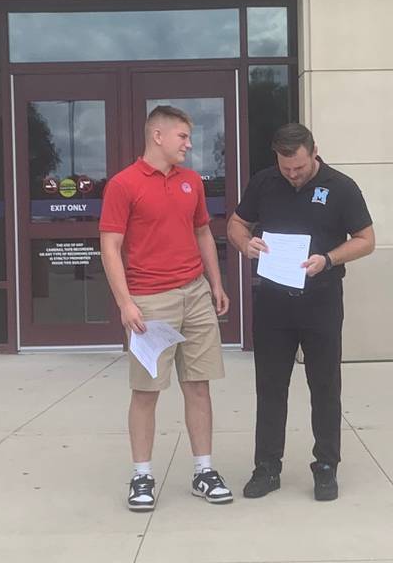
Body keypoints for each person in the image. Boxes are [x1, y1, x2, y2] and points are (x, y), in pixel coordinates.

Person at [227, 122, 374, 501]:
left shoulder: (341, 187)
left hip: (321, 298)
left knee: (324, 386)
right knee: (270, 387)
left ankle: (326, 468)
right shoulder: (263, 182)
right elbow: (236, 224)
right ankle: (267, 468)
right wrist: (246, 244)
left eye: (300, 168)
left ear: (314, 152)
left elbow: (366, 240)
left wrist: (328, 258)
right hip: (273, 300)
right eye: (285, 168)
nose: (292, 175)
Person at [100, 105, 233, 511]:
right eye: (183, 137)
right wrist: (125, 303)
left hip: (195, 294)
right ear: (157, 136)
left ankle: (204, 471)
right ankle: (142, 476)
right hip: (149, 301)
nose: (189, 146)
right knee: (146, 392)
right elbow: (110, 245)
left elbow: (204, 233)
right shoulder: (123, 184)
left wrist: (216, 283)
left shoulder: (192, 181)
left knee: (199, 384)